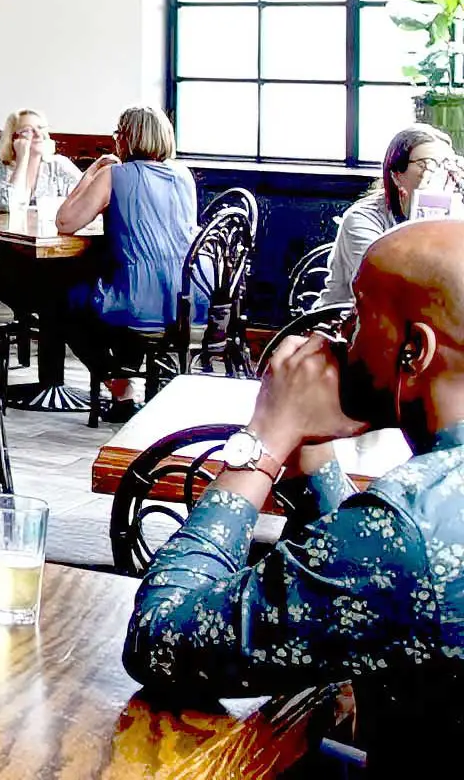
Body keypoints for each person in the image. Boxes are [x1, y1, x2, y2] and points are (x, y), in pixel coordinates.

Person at [123, 221, 464, 771]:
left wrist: (265, 439)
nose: (340, 336)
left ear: (413, 352)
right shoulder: (416, 516)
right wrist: (315, 455)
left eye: (357, 315)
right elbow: (361, 594)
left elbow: (161, 641)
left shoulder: (406, 525)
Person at [53, 104, 198, 421]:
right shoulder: (183, 175)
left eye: (118, 133)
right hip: (191, 297)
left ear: (127, 138)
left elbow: (64, 223)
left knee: (63, 306)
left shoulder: (113, 176)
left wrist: (92, 172)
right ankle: (131, 385)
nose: (115, 139)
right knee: (114, 287)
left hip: (140, 300)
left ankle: (121, 389)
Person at [324, 124, 460, 306]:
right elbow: (393, 286)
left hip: (430, 316)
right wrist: (422, 210)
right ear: (397, 175)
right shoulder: (361, 219)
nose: (440, 173)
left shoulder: (456, 212)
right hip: (356, 318)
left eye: (446, 164)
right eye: (427, 164)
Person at [0, 108, 82, 211]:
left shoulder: (60, 165)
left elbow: (85, 200)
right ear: (13, 139)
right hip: (11, 227)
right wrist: (22, 160)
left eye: (41, 128)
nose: (39, 135)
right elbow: (7, 205)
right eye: (28, 130)